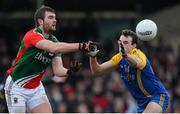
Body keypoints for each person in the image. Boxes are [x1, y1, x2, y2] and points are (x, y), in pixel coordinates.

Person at [4, 5, 96, 113]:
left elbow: (58, 70)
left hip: (35, 88)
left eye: (55, 18)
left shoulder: (54, 40)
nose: (55, 20)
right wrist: (81, 46)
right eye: (51, 17)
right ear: (40, 21)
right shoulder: (32, 35)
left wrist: (70, 71)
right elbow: (53, 48)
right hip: (16, 86)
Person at [88, 29, 170, 113]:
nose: (122, 45)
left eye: (126, 42)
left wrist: (126, 55)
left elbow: (137, 63)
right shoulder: (118, 58)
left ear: (134, 45)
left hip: (158, 95)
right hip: (142, 103)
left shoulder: (139, 55)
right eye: (120, 42)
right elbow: (97, 71)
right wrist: (92, 56)